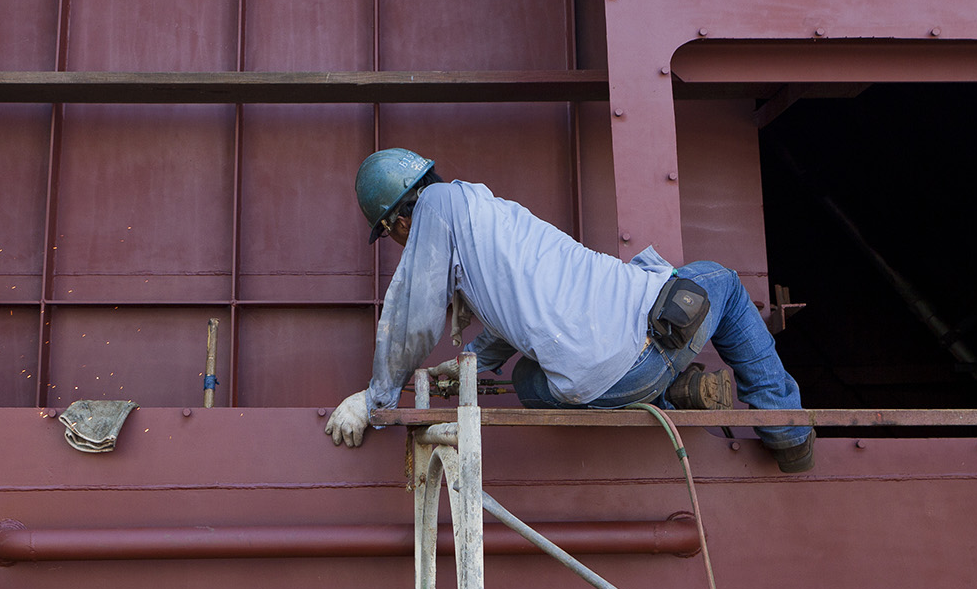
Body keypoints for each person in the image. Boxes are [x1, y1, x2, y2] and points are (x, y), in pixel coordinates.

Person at [322, 148, 815, 473]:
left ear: (398, 220)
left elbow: (410, 318)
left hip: (610, 381)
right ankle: (787, 434)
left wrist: (375, 401)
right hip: (648, 347)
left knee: (531, 383)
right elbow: (525, 303)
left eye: (389, 233)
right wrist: (474, 357)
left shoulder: (435, 211)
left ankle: (674, 394)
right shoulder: (485, 213)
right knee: (722, 281)